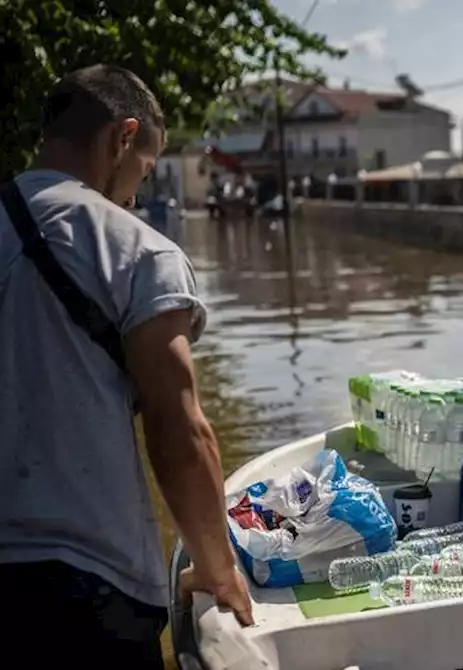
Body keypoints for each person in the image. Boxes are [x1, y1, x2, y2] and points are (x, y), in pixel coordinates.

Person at [0, 65, 253, 665]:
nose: (137, 191)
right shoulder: (136, 248)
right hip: (85, 588)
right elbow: (178, 431)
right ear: (122, 137)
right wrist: (219, 571)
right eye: (144, 164)